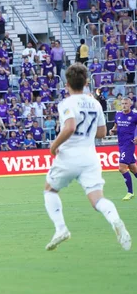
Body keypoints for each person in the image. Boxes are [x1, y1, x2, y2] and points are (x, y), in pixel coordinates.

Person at [43, 64, 131, 251]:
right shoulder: (95, 103)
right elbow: (102, 132)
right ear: (86, 83)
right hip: (90, 157)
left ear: (67, 84)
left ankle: (61, 229)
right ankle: (114, 218)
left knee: (50, 189)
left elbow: (70, 127)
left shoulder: (66, 104)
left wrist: (54, 145)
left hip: (69, 155)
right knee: (97, 200)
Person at [109, 97, 137, 200]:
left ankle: (130, 192)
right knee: (133, 168)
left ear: (130, 104)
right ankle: (130, 192)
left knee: (121, 168)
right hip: (121, 144)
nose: (124, 105)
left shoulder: (134, 116)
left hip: (129, 144)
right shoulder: (118, 115)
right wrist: (113, 130)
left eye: (126, 103)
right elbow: (116, 126)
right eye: (122, 104)